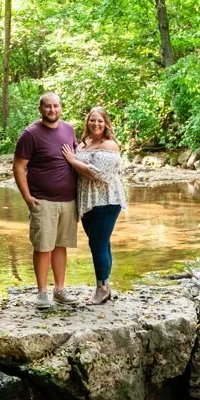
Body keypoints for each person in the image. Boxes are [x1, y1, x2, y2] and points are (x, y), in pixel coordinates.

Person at [14, 92, 82, 308]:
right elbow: (18, 166)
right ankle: (42, 293)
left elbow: (76, 159)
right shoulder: (30, 134)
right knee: (43, 246)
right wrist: (27, 197)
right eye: (48, 107)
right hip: (42, 201)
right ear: (40, 108)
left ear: (61, 107)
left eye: (56, 106)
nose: (52, 110)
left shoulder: (69, 129)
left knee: (61, 245)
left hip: (68, 201)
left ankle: (60, 290)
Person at [61, 106, 127, 306]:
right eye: (92, 120)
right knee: (102, 243)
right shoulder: (84, 144)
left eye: (99, 121)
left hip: (106, 200)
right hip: (88, 201)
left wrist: (72, 160)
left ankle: (101, 288)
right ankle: (106, 286)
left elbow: (99, 174)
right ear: (87, 123)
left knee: (97, 245)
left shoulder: (110, 146)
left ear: (106, 123)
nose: (95, 124)